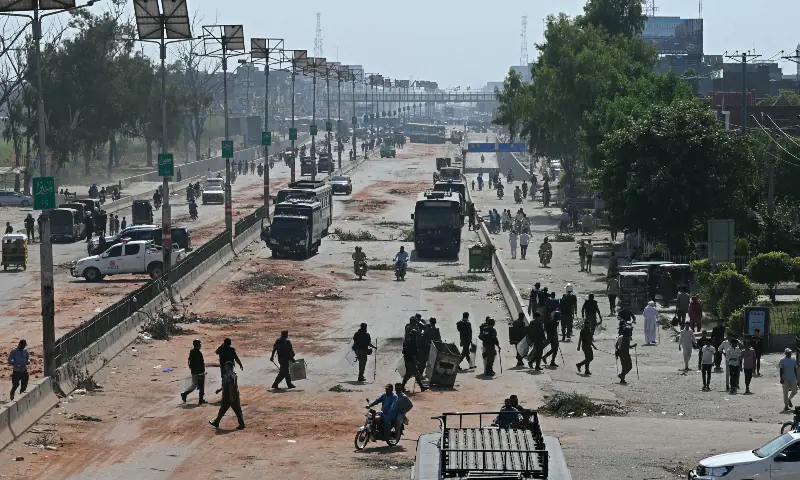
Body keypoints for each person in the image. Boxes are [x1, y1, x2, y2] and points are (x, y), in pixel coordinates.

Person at [209, 361, 245, 430]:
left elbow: (230, 385)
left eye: (226, 366)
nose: (225, 367)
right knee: (237, 410)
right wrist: (220, 390)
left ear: (228, 367)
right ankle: (242, 424)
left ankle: (216, 422)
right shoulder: (234, 374)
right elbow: (233, 385)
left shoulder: (228, 375)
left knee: (223, 409)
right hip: (236, 394)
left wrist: (230, 396)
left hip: (228, 395)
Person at [181, 339, 206, 404]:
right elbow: (201, 363)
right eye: (200, 344)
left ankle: (185, 394)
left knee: (194, 385)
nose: (200, 346)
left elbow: (189, 362)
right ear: (198, 345)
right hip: (199, 371)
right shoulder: (198, 353)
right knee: (201, 386)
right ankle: (201, 400)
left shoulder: (192, 352)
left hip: (194, 371)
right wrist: (202, 371)